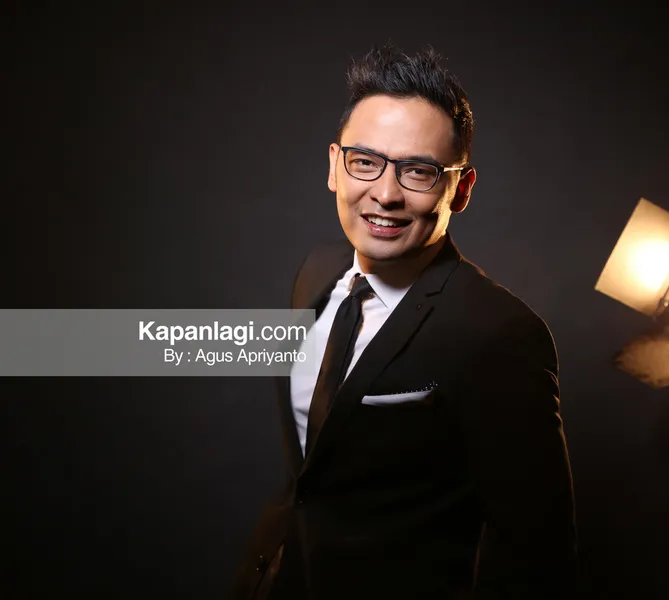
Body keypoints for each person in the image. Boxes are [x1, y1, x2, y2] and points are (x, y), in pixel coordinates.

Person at [229, 43, 577, 599]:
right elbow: (313, 477)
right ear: (335, 166)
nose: (385, 194)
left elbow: (539, 556)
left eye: (419, 171)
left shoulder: (501, 336)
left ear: (460, 190)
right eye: (365, 162)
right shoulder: (315, 272)